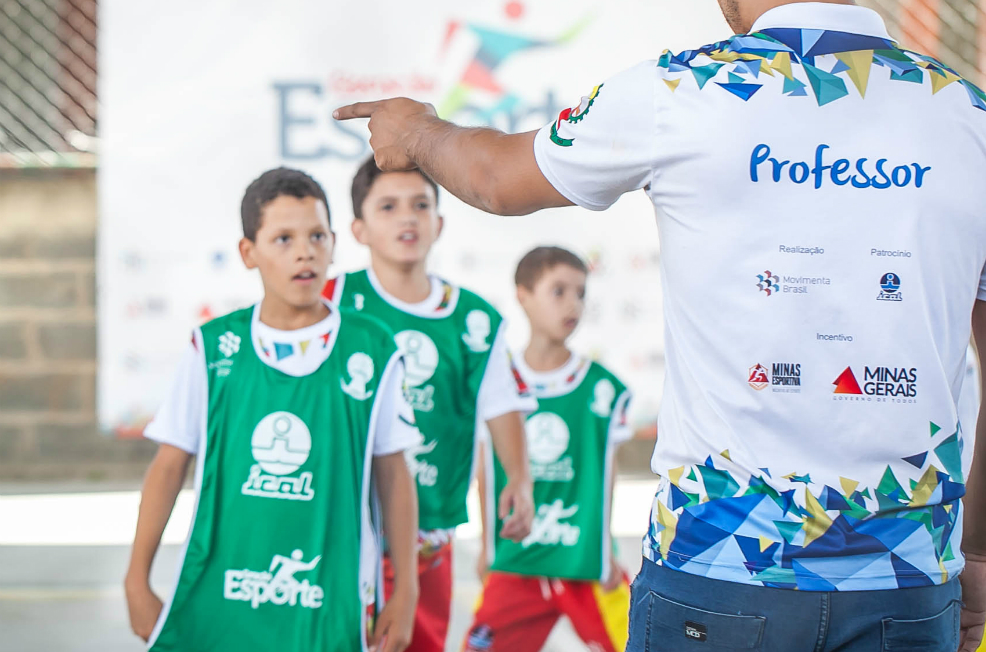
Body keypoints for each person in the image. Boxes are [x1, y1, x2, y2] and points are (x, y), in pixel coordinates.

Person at [334, 0, 986, 652]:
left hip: (716, 575)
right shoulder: (974, 121)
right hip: (907, 578)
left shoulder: (682, 91)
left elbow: (496, 178)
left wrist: (416, 129)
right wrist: (976, 550)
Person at [124, 168, 419, 652]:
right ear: (249, 253)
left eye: (317, 236)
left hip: (329, 598)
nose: (305, 251)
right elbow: (168, 465)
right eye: (283, 238)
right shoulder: (215, 347)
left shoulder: (373, 349)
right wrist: (137, 580)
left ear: (333, 243)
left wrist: (406, 588)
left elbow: (393, 474)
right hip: (222, 596)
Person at [321, 156, 536, 652]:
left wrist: (519, 480)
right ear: (359, 228)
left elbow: (500, 404)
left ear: (439, 222)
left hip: (427, 529)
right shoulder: (330, 301)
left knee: (417, 641)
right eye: (389, 206)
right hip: (341, 521)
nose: (407, 217)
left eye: (420, 205)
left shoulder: (474, 320)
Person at [466, 246, 631, 652]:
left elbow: (606, 473)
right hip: (516, 561)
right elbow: (486, 469)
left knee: (641, 640)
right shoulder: (495, 379)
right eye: (558, 290)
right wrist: (489, 546)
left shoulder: (603, 388)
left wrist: (604, 548)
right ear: (522, 295)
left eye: (580, 292)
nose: (572, 303)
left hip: (583, 561)